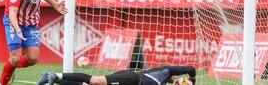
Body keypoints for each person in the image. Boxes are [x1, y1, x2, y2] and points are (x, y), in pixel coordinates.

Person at [0, 0, 68, 85]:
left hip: (31, 22)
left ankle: (11, 66)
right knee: (16, 58)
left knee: (33, 58)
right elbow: (12, 13)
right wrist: (17, 29)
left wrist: (54, 4)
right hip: (14, 22)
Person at [37, 65, 196, 85]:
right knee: (96, 81)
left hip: (129, 81)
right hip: (131, 79)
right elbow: (191, 68)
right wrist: (192, 81)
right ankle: (56, 75)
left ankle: (53, 78)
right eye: (181, 83)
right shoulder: (166, 72)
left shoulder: (163, 81)